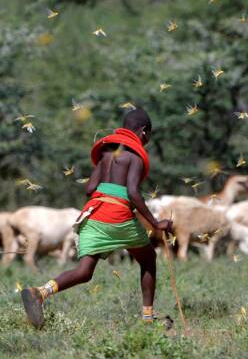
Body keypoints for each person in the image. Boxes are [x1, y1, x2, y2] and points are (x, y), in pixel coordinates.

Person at [21, 108, 173, 329]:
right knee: (148, 259)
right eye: (149, 136)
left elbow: (90, 188)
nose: (148, 140)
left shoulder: (106, 153)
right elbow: (132, 192)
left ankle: (40, 293)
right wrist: (155, 223)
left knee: (84, 272)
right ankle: (148, 319)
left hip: (93, 212)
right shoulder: (135, 156)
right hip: (118, 214)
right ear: (143, 132)